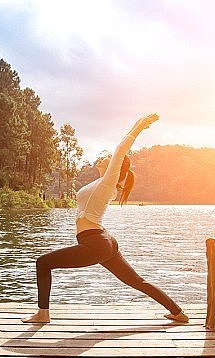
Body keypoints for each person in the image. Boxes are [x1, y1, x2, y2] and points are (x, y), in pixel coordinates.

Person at [22, 114, 188, 324]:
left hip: (96, 242)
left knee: (43, 263)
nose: (105, 156)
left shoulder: (108, 183)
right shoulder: (101, 183)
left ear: (115, 168)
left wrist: (139, 126)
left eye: (109, 157)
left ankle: (43, 314)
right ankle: (177, 312)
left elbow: (121, 149)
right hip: (103, 241)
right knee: (136, 281)